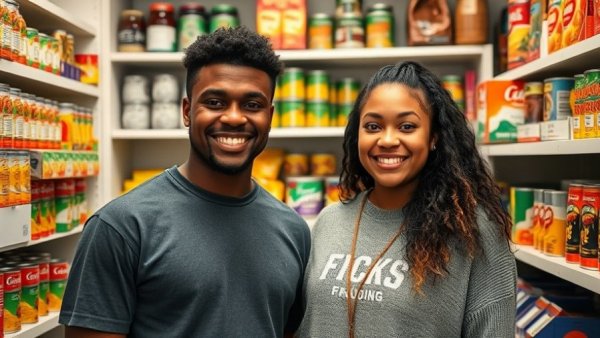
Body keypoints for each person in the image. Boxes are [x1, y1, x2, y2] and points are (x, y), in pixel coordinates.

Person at [59, 27, 311, 338]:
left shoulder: (294, 230)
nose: (234, 117)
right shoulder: (121, 226)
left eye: (252, 105)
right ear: (188, 111)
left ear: (270, 116)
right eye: (216, 102)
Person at [296, 61, 516, 337]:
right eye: (373, 126)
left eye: (407, 126)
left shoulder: (473, 231)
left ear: (434, 137)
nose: (387, 139)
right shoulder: (330, 220)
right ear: (357, 135)